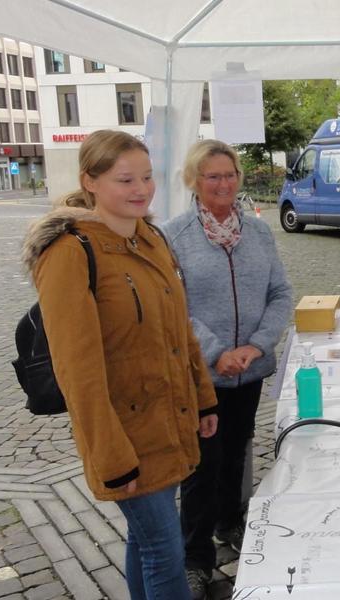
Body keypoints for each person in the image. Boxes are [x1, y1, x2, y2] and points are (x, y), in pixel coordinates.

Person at [24, 130, 218, 600]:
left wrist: (204, 398)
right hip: (125, 433)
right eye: (124, 179)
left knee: (149, 541)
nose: (141, 189)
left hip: (167, 419)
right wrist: (109, 454)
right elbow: (77, 370)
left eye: (147, 177)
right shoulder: (70, 252)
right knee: (165, 549)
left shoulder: (151, 237)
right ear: (90, 181)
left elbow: (180, 331)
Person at [162, 140, 293, 599]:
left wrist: (256, 347)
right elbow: (174, 309)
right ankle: (194, 557)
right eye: (212, 176)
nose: (223, 183)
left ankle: (230, 524)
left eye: (230, 174)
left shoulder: (258, 234)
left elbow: (280, 294)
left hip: (249, 371)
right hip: (201, 375)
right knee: (201, 466)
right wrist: (217, 351)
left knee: (236, 452)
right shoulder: (174, 237)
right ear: (194, 182)